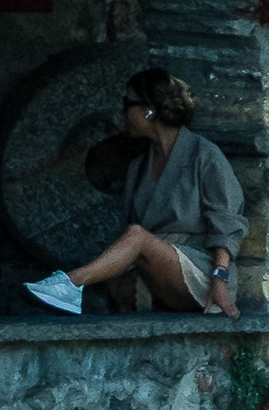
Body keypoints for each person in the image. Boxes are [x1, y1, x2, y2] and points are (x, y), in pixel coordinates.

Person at [24, 65, 242, 317]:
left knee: (137, 236)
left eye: (127, 103)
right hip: (157, 275)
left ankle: (70, 284)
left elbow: (227, 221)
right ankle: (71, 289)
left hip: (203, 275)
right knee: (134, 237)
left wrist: (220, 280)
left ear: (148, 111)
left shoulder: (204, 155)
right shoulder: (138, 168)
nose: (123, 112)